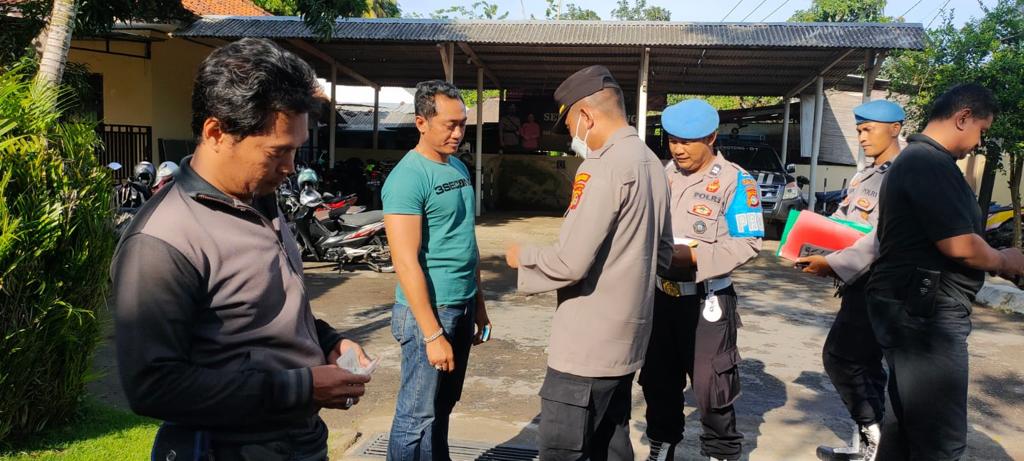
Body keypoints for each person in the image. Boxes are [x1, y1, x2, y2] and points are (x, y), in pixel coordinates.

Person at [110, 38, 373, 461]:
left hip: (300, 441)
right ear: (216, 133)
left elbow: (270, 309)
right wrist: (302, 387)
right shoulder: (163, 239)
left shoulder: (260, 199)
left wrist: (329, 341)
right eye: (277, 152)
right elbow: (153, 387)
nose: (290, 167)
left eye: (296, 149)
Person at [505, 65, 673, 461]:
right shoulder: (652, 163)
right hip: (627, 343)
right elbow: (664, 254)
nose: (572, 137)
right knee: (611, 446)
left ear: (586, 116)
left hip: (585, 349)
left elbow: (570, 263)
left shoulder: (602, 166)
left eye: (570, 127)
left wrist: (522, 256)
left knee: (563, 451)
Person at [866, 83, 1024, 460]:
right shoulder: (928, 163)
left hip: (912, 308)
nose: (978, 143)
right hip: (926, 315)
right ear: (963, 117)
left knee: (906, 427)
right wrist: (1006, 260)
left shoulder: (921, 161)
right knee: (940, 439)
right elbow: (959, 245)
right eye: (981, 131)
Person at [642, 99, 764, 461]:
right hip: (660, 297)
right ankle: (662, 445)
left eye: (687, 142)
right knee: (658, 380)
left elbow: (747, 243)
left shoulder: (735, 181)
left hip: (707, 300)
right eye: (672, 140)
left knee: (712, 388)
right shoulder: (662, 175)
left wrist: (694, 258)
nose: (678, 149)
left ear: (711, 138)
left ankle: (721, 453)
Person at [382, 79, 492, 461]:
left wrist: (479, 305)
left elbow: (466, 242)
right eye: (450, 125)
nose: (458, 133)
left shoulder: (457, 167)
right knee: (415, 417)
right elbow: (405, 261)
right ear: (421, 122)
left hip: (461, 304)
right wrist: (431, 334)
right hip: (428, 314)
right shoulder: (407, 178)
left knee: (442, 409)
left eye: (462, 124)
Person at [797, 100, 905, 461]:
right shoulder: (865, 175)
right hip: (858, 284)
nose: (861, 137)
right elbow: (844, 223)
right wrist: (807, 238)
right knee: (866, 364)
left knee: (840, 358)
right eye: (859, 130)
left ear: (895, 128)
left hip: (879, 286)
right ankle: (868, 444)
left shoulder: (901, 175)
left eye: (868, 129)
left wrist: (832, 264)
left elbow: (878, 239)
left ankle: (874, 436)